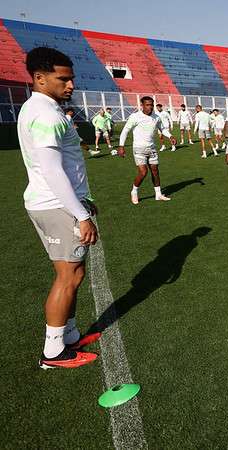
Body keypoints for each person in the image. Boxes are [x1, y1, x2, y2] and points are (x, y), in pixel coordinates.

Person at [19, 47, 100, 369]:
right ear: (39, 78)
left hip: (55, 204)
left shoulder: (39, 109)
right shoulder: (46, 115)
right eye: (62, 79)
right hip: (55, 206)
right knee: (67, 276)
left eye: (71, 79)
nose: (70, 85)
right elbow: (52, 170)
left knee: (74, 273)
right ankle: (53, 352)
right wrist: (81, 215)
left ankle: (68, 335)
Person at [118, 96, 176, 204]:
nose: (150, 107)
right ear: (142, 105)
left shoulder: (156, 117)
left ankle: (158, 194)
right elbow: (125, 130)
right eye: (147, 105)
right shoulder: (135, 117)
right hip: (139, 148)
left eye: (151, 105)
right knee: (143, 172)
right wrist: (121, 146)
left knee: (155, 171)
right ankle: (134, 191)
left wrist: (170, 136)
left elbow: (162, 129)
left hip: (152, 148)